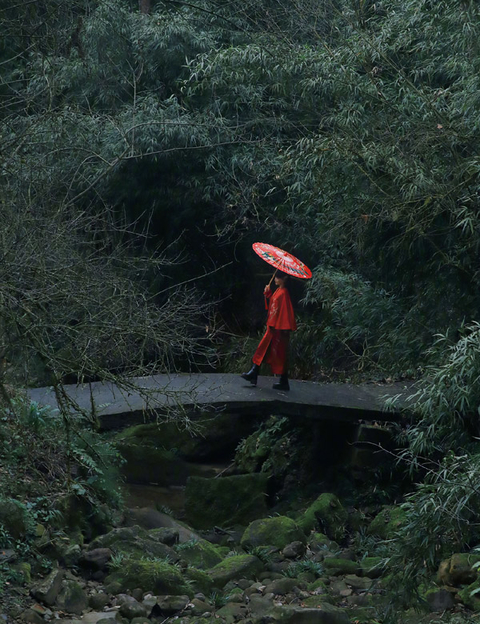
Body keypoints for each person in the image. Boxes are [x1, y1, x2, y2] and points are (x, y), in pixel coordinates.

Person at [241, 270, 296, 391]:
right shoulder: (278, 291)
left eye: (277, 277)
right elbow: (274, 305)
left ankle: (280, 380)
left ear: (284, 279)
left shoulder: (284, 293)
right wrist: (268, 294)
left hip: (278, 330)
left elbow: (284, 312)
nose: (275, 279)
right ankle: (254, 373)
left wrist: (283, 328)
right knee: (263, 350)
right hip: (273, 328)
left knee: (278, 355)